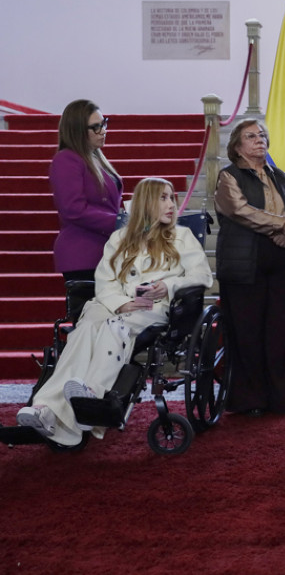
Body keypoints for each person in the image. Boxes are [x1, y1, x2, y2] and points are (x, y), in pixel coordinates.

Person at [16, 178, 213, 445]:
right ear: (146, 203)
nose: (171, 204)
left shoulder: (182, 236)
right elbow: (105, 281)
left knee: (112, 329)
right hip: (113, 304)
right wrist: (121, 302)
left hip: (151, 307)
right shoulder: (120, 238)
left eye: (172, 198)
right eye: (163, 198)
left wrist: (167, 285)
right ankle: (46, 408)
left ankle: (87, 399)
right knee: (82, 332)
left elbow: (202, 276)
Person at [214, 119, 285, 416]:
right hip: (245, 264)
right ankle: (250, 400)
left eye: (262, 135)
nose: (260, 140)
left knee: (280, 331)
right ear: (237, 146)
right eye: (251, 136)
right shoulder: (228, 177)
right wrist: (282, 226)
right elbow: (241, 211)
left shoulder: (281, 175)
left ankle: (279, 399)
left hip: (282, 261)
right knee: (248, 332)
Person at [49, 99, 123, 282]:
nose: (103, 131)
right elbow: (74, 209)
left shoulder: (95, 157)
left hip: (106, 250)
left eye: (103, 123)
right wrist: (121, 222)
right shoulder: (66, 160)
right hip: (83, 253)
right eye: (96, 127)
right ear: (77, 130)